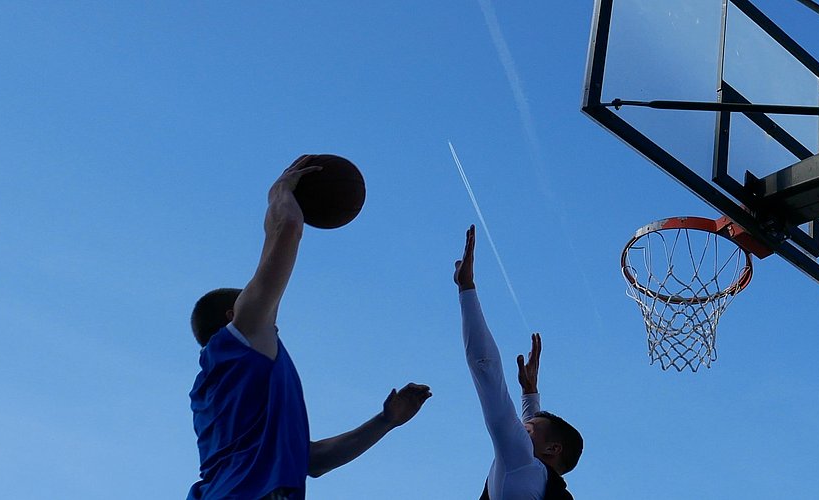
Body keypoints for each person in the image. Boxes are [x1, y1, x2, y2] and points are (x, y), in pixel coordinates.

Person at [188, 159, 434, 500]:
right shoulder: (241, 337)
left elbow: (313, 460)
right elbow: (287, 228)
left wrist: (385, 420)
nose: (274, 317)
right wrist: (279, 192)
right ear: (235, 314)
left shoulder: (218, 387)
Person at [455, 226, 582, 500]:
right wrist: (530, 393)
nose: (520, 427)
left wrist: (466, 289)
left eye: (526, 428)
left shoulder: (521, 464)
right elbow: (527, 436)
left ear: (553, 449)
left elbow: (485, 367)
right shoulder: (541, 481)